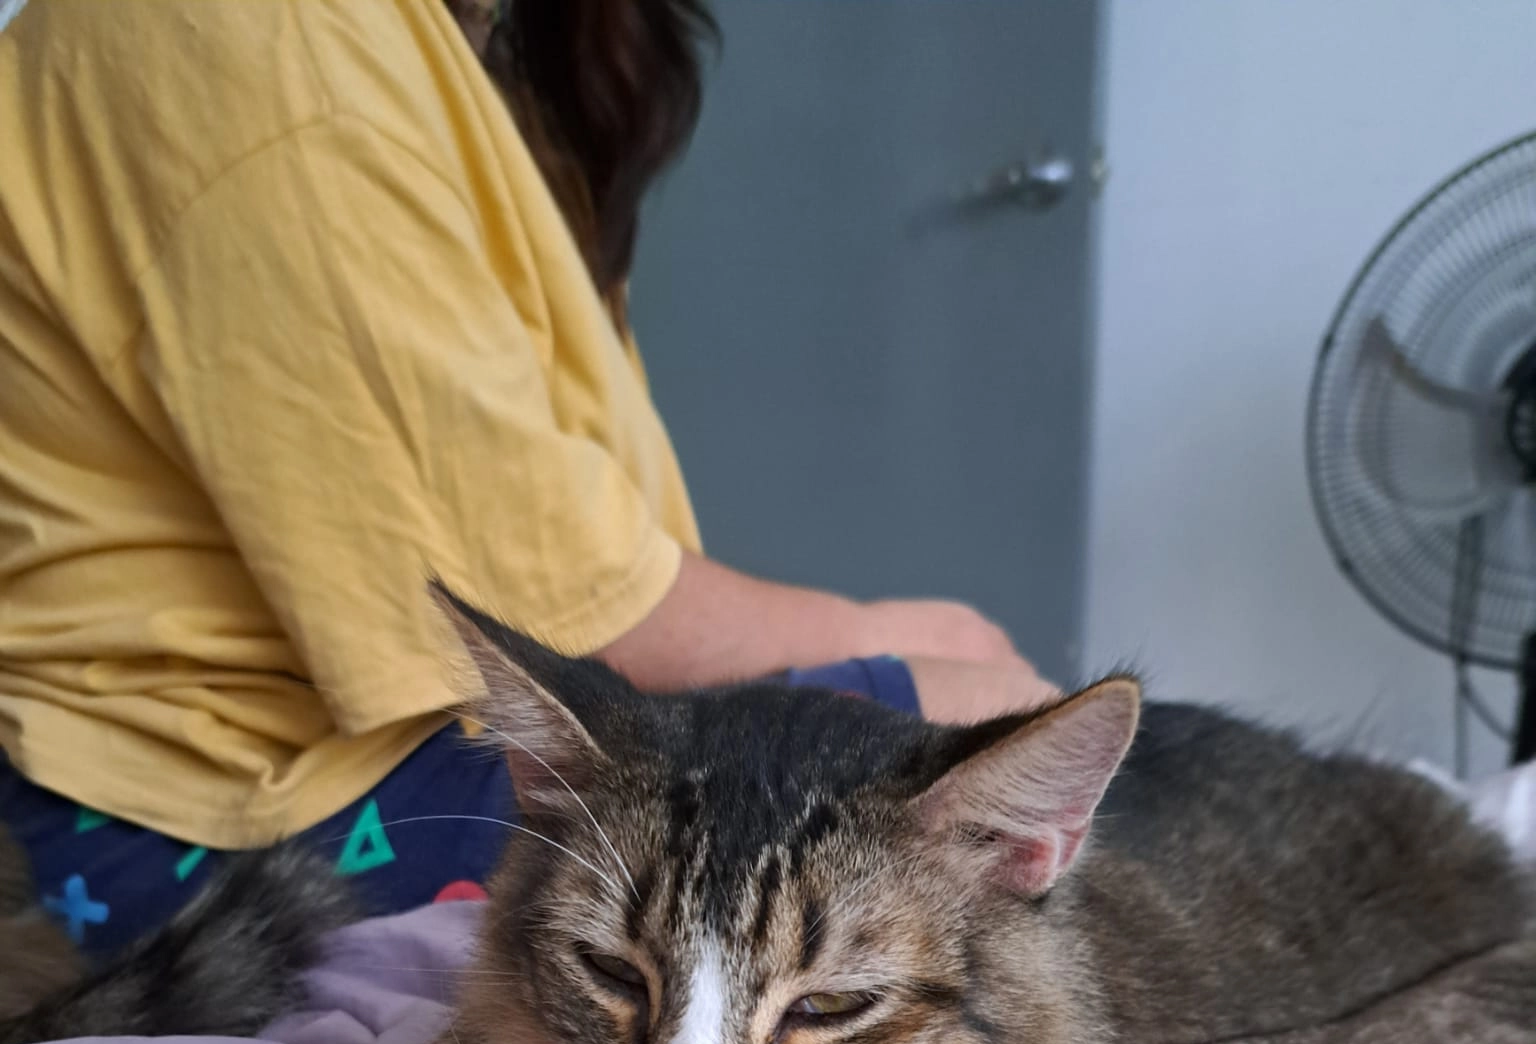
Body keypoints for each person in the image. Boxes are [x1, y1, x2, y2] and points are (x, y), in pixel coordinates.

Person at [0, 0, 1056, 953]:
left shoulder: (456, 52)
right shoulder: (260, 49)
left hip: (359, 729)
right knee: (979, 702)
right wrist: (918, 639)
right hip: (195, 811)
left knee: (983, 742)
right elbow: (576, 614)